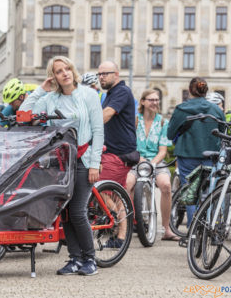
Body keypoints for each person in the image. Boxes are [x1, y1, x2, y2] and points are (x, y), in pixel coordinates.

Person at [20, 56, 104, 276]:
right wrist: (40, 90)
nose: (65, 73)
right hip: (60, 162)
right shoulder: (50, 98)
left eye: (67, 68)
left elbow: (98, 131)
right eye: (59, 71)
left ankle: (90, 259)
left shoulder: (89, 94)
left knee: (77, 210)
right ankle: (75, 259)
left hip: (84, 159)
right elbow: (24, 115)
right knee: (65, 212)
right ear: (54, 76)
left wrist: (95, 163)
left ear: (73, 70)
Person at [167, 77, 225, 227]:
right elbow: (223, 132)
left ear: (190, 90)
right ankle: (210, 227)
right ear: (205, 91)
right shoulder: (216, 110)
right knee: (209, 192)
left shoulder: (181, 109)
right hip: (211, 157)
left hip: (187, 155)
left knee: (190, 193)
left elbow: (170, 134)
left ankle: (194, 230)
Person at [124, 90, 178, 241]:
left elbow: (163, 150)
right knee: (127, 184)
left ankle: (166, 229)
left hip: (156, 161)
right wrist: (140, 160)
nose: (155, 102)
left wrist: (151, 164)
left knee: (166, 185)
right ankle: (129, 223)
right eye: (151, 100)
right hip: (136, 160)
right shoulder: (134, 121)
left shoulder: (163, 122)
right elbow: (129, 146)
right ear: (142, 102)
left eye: (157, 100)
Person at [98, 61, 137, 188]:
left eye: (105, 74)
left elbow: (107, 114)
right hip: (113, 151)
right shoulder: (110, 94)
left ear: (116, 74)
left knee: (97, 187)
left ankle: (118, 209)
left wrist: (85, 125)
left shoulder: (122, 91)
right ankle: (124, 208)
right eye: (99, 74)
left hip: (118, 153)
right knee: (118, 193)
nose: (101, 77)